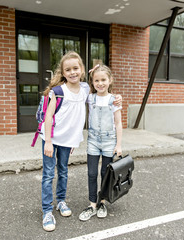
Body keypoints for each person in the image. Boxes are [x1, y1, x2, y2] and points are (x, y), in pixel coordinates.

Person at [39, 52, 121, 231]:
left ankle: (61, 201)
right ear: (62, 72)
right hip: (51, 140)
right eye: (68, 69)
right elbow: (48, 116)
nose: (72, 72)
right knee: (48, 174)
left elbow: (101, 90)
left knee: (63, 172)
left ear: (82, 70)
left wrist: (116, 97)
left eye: (76, 68)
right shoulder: (58, 91)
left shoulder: (85, 89)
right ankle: (47, 211)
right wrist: (47, 142)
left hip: (67, 142)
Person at [79, 64, 123, 221]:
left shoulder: (114, 100)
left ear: (110, 80)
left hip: (109, 141)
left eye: (103, 79)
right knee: (91, 173)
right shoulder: (90, 98)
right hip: (93, 141)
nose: (100, 83)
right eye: (96, 80)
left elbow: (118, 123)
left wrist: (118, 145)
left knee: (105, 173)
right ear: (92, 82)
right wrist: (89, 73)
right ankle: (92, 204)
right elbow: (80, 86)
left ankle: (102, 202)